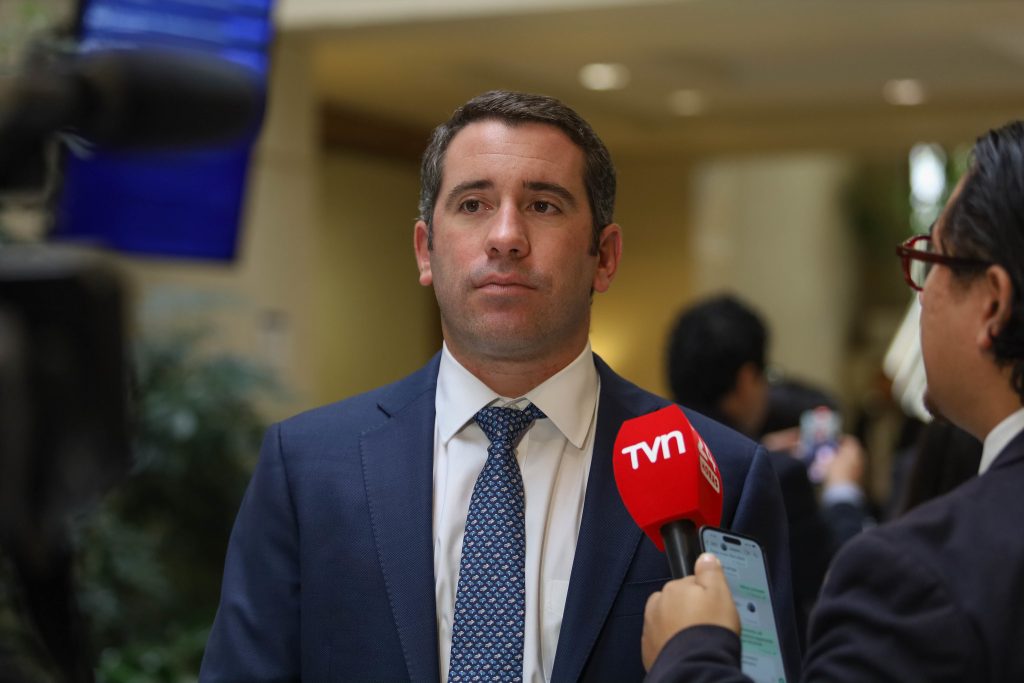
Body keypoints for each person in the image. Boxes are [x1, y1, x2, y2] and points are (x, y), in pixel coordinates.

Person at [198, 90, 800, 682]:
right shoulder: (306, 469)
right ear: (426, 250)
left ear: (605, 257)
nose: (506, 236)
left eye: (543, 205)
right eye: (473, 204)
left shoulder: (722, 472)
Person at [642, 120, 1024, 682]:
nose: (923, 297)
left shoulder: (916, 577)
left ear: (992, 304)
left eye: (931, 262)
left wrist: (690, 650)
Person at [665, 295, 870, 645]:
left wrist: (757, 450)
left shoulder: (653, 463)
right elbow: (839, 586)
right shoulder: (780, 477)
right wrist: (842, 492)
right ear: (747, 379)